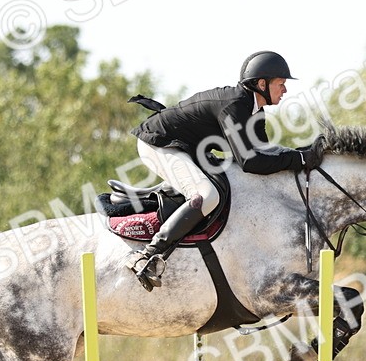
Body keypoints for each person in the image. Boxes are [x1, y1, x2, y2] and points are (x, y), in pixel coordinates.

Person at [125, 51, 322, 290]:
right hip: (158, 144)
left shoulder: (255, 111)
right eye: (281, 84)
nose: (285, 90)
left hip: (188, 148)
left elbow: (266, 152)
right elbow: (250, 162)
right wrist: (300, 159)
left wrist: (302, 153)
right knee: (206, 196)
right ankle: (146, 255)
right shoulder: (236, 105)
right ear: (262, 84)